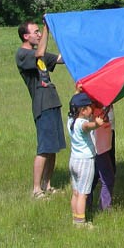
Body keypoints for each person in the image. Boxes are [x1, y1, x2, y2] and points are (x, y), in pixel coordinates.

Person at [16, 20, 66, 199]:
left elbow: (61, 59)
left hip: (53, 101)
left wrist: (76, 48)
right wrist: (47, 29)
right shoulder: (23, 54)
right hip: (41, 104)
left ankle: (48, 184)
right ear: (25, 36)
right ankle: (36, 189)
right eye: (35, 32)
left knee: (53, 148)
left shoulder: (41, 54)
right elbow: (39, 53)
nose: (38, 34)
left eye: (39, 31)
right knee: (44, 147)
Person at [66, 92, 104, 228]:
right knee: (83, 194)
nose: (92, 110)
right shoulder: (82, 123)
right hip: (85, 162)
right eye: (90, 108)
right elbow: (86, 127)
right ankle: (81, 222)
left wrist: (76, 91)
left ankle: (75, 218)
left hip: (73, 161)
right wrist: (96, 124)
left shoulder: (70, 119)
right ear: (83, 110)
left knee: (76, 192)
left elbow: (73, 104)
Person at [90, 101, 116, 211]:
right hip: (100, 149)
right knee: (107, 177)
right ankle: (105, 206)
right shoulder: (96, 115)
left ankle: (88, 204)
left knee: (96, 175)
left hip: (103, 146)